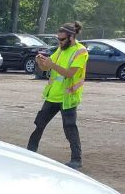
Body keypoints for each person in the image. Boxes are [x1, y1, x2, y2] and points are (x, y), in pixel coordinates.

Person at [27, 21, 88, 169]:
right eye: (58, 39)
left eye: (62, 39)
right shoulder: (60, 49)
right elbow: (46, 67)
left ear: (71, 37)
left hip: (68, 97)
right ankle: (29, 153)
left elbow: (69, 73)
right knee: (39, 123)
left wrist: (51, 64)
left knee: (70, 128)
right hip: (53, 95)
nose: (59, 42)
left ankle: (76, 160)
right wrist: (40, 62)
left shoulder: (80, 51)